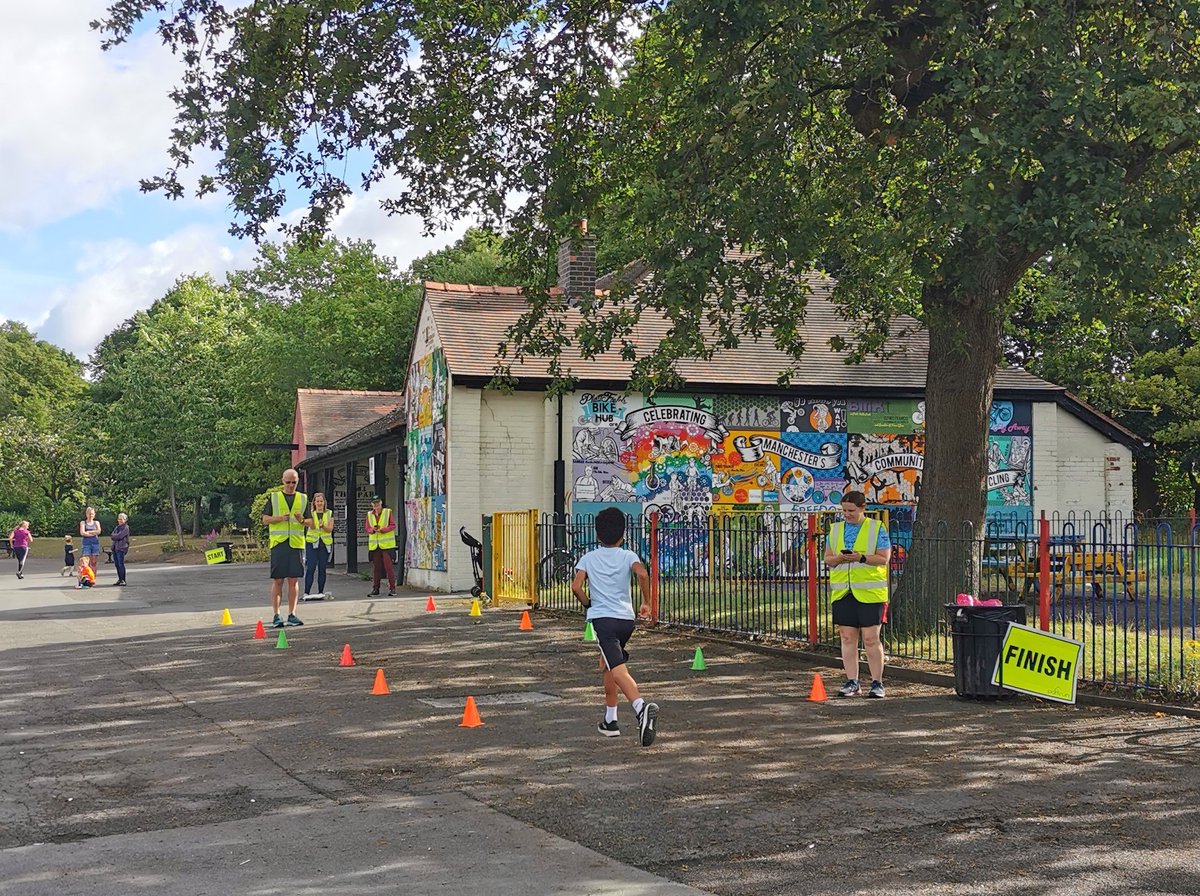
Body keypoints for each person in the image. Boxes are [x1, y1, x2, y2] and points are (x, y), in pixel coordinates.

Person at [570, 506, 659, 747]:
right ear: (623, 534)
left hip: (604, 620)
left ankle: (641, 708)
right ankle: (610, 721)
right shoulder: (629, 555)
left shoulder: (589, 558)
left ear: (598, 535)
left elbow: (576, 587)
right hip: (625, 620)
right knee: (607, 663)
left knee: (618, 669)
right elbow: (641, 574)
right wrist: (646, 602)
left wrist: (588, 604)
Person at [823, 489, 892, 699]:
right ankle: (852, 681)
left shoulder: (876, 528)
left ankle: (877, 682)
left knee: (871, 639)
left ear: (863, 508)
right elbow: (827, 558)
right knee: (847, 637)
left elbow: (884, 558)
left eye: (851, 510)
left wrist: (861, 558)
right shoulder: (835, 530)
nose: (847, 514)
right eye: (844, 510)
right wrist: (839, 559)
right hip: (844, 592)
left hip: (871, 594)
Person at [261, 468, 309, 627]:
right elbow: (265, 519)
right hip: (279, 544)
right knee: (278, 579)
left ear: (298, 482)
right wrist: (280, 518)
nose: (291, 485)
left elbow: (312, 523)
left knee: (293, 580)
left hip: (296, 543)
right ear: (282, 481)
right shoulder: (274, 498)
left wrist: (302, 520)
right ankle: (276, 615)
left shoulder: (303, 499)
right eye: (288, 482)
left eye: (294, 482)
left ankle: (292, 614)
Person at [303, 492, 334, 600]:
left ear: (324, 502)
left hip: (324, 544)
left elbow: (330, 528)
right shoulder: (310, 513)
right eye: (318, 501)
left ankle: (321, 592)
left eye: (321, 501)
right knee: (310, 568)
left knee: (322, 569)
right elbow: (306, 524)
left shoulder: (329, 513)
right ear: (314, 503)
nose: (320, 503)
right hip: (312, 543)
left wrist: (323, 526)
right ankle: (306, 592)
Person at [364, 495, 396, 597]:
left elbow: (393, 525)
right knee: (376, 568)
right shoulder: (369, 515)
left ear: (381, 503)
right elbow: (367, 528)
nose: (376, 506)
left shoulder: (387, 512)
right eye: (374, 504)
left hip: (387, 545)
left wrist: (382, 530)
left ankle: (392, 588)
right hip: (375, 545)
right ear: (372, 505)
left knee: (388, 567)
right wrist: (372, 530)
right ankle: (375, 588)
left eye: (378, 503)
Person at [79, 507, 103, 580]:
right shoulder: (83, 523)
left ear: (94, 514)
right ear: (86, 514)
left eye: (92, 514)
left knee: (94, 562)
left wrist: (88, 532)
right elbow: (82, 533)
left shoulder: (96, 522)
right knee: (86, 562)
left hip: (95, 543)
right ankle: (87, 578)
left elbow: (98, 531)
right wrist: (93, 532)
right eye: (89, 514)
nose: (91, 515)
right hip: (86, 544)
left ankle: (93, 578)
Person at [110, 513, 130, 586]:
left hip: (121, 548)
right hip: (115, 548)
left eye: (122, 519)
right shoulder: (117, 527)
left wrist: (115, 536)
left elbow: (120, 536)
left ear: (125, 520)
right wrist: (115, 536)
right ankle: (120, 579)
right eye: (119, 519)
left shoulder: (126, 528)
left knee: (121, 564)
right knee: (117, 564)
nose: (120, 520)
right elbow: (112, 535)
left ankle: (123, 580)